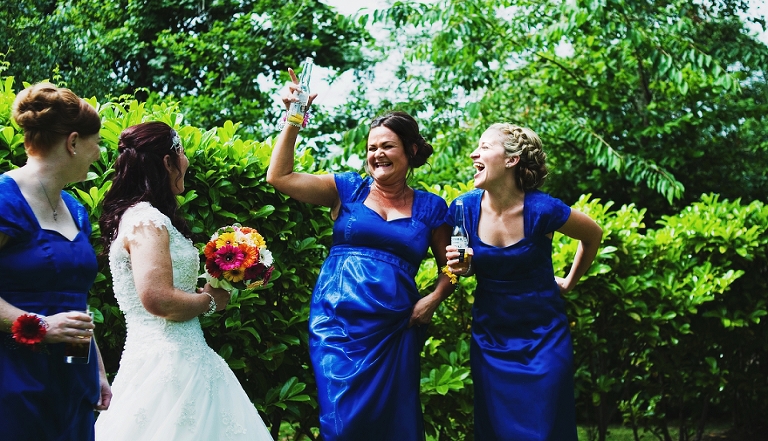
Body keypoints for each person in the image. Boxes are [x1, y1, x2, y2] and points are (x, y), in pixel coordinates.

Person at [266, 73, 454, 441]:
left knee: (394, 422)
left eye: (387, 146)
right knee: (342, 422)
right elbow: (280, 177)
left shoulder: (433, 207)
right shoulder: (347, 189)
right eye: (371, 148)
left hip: (396, 325)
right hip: (338, 322)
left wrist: (434, 298)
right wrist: (295, 117)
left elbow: (455, 262)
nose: (376, 154)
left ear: (411, 151)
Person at [94, 121, 271, 441]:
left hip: (179, 355)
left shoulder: (140, 217)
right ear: (167, 161)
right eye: (183, 153)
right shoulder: (147, 220)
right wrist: (209, 301)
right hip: (170, 365)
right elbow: (158, 299)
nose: (187, 162)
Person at [446, 124, 603, 441]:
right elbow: (465, 265)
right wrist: (462, 268)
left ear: (511, 159)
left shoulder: (544, 209)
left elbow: (593, 234)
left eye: (485, 147)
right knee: (496, 430)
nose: (474, 154)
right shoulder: (463, 208)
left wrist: (570, 281)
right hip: (491, 340)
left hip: (544, 338)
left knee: (545, 429)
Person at [0, 83, 111, 440]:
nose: (99, 154)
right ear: (73, 142)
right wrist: (39, 325)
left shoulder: (77, 210)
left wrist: (98, 370)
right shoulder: (4, 199)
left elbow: (75, 299)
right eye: (96, 143)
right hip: (13, 380)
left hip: (73, 379)